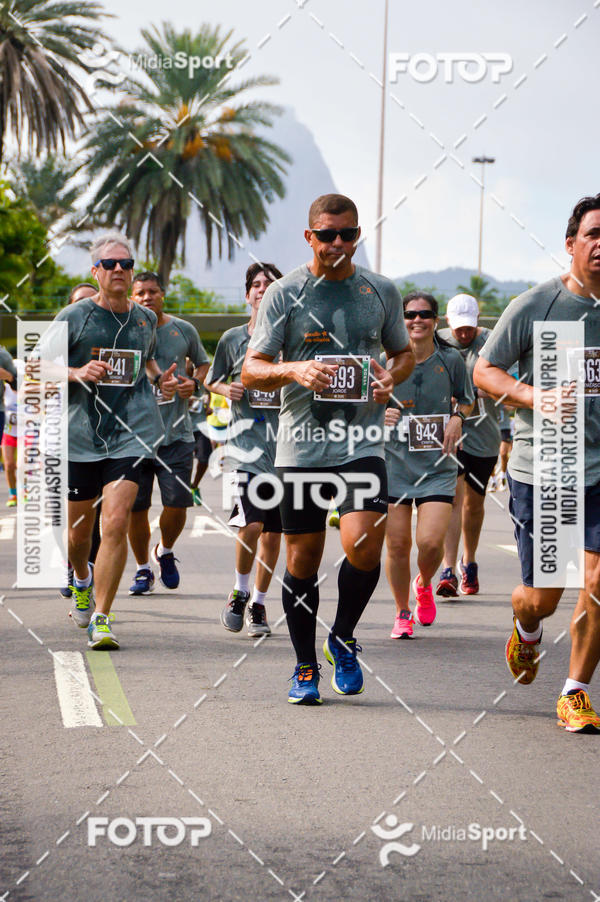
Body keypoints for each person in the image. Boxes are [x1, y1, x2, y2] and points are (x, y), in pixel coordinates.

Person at [243, 193, 414, 703]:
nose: (337, 243)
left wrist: (389, 377)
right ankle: (303, 666)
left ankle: (341, 637)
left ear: (357, 235)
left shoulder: (379, 290)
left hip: (361, 440)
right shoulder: (284, 294)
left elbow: (402, 354)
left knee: (363, 546)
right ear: (308, 237)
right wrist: (293, 369)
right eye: (326, 234)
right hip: (301, 445)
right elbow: (253, 368)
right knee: (302, 557)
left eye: (347, 234)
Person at [474, 193, 600, 733]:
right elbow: (485, 371)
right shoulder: (539, 305)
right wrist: (535, 397)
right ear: (570, 243)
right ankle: (527, 630)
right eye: (594, 233)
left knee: (597, 582)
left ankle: (574, 691)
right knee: (542, 598)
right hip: (546, 468)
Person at [56, 233, 178, 649]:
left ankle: (103, 618)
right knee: (79, 535)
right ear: (96, 271)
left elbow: (147, 365)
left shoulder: (145, 320)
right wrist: (76, 373)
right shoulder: (73, 317)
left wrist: (164, 381)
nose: (120, 270)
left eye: (126, 263)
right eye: (110, 264)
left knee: (115, 521)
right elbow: (36, 370)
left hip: (133, 435)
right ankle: (82, 579)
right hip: (81, 438)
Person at [384, 293, 473, 638]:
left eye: (424, 314)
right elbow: (359, 408)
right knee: (396, 545)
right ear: (400, 319)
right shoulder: (385, 360)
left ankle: (424, 581)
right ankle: (402, 610)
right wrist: (380, 413)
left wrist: (457, 418)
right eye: (409, 314)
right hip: (394, 463)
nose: (416, 320)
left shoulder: (450, 359)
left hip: (437, 464)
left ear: (436, 320)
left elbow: (467, 398)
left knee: (431, 543)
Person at [205, 263, 284, 638]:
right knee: (252, 524)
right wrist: (226, 390)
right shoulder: (232, 339)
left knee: (273, 534)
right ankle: (239, 590)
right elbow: (211, 380)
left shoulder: (294, 341)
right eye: (256, 284)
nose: (262, 289)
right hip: (246, 448)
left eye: (270, 285)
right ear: (247, 293)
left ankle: (259, 603)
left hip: (288, 451)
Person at [127, 272, 209, 595]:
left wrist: (194, 384)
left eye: (152, 292)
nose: (147, 297)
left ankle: (165, 550)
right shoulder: (127, 331)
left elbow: (202, 365)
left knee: (177, 504)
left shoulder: (183, 330)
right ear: (133, 298)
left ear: (163, 295)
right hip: (133, 438)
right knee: (137, 508)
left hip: (176, 436)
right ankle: (143, 569)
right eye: (140, 293)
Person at [436, 294, 501, 596]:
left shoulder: (493, 341)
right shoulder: (437, 341)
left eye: (469, 328)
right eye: (459, 328)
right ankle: (447, 570)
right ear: (448, 322)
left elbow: (505, 381)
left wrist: (469, 393)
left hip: (482, 433)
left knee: (474, 503)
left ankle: (469, 562)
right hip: (448, 432)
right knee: (453, 499)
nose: (464, 334)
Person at [60, 282, 102, 598]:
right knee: (78, 524)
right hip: (72, 439)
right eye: (81, 303)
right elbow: (37, 372)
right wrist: (76, 373)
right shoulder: (62, 339)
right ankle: (75, 567)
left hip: (114, 443)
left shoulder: (116, 335)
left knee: (105, 520)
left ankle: (89, 584)